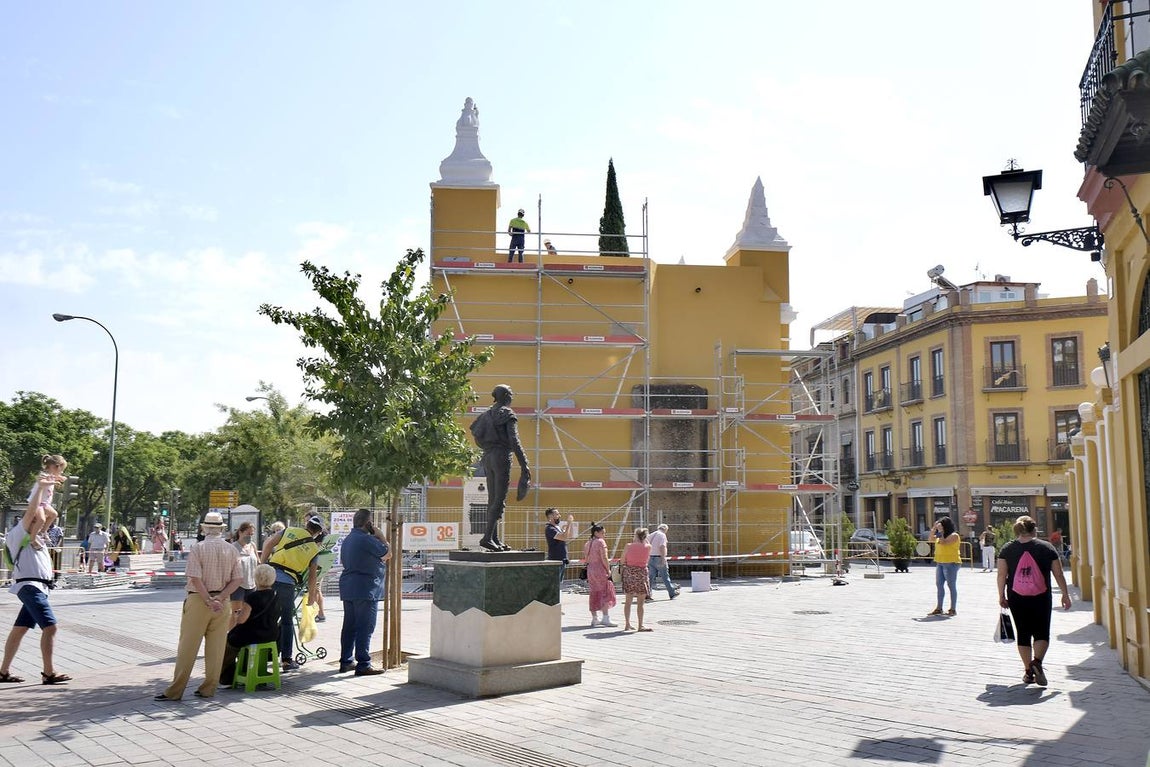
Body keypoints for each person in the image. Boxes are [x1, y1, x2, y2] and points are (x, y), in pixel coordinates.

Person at [155, 512, 242, 701]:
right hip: (223, 601)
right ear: (221, 529)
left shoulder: (198, 548)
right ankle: (208, 688)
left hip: (199, 600)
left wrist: (208, 600)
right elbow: (238, 579)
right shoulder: (232, 550)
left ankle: (176, 690)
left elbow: (194, 577)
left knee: (188, 646)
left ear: (204, 528)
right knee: (216, 648)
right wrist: (220, 598)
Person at [0, 475, 72, 685]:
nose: (39, 523)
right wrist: (40, 488)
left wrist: (49, 488)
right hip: (29, 587)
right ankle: (49, 673)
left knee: (20, 629)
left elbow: (47, 511)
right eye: (34, 520)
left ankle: (3, 671)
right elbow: (34, 510)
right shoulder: (17, 535)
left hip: (38, 588)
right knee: (50, 628)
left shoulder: (37, 538)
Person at [997, 515, 1072, 687]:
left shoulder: (1007, 549)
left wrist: (1001, 595)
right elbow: (1058, 573)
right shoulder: (1046, 547)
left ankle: (1028, 672)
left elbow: (1002, 574)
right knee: (1041, 631)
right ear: (1034, 529)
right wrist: (1065, 594)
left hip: (1016, 596)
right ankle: (1037, 662)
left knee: (1023, 632)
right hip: (1041, 595)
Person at [469, 385, 531, 551]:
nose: (512, 397)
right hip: (502, 456)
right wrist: (525, 464)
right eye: (511, 394)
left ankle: (494, 538)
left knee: (492, 499)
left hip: (487, 457)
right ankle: (487, 537)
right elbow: (514, 440)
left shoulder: (485, 415)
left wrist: (489, 445)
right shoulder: (507, 414)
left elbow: (476, 435)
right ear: (504, 396)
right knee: (499, 500)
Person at [261, 516, 324, 670]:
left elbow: (269, 544)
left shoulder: (288, 531)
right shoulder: (314, 550)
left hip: (269, 577)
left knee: (266, 616)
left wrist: (262, 565)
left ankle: (262, 657)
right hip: (287, 583)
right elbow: (312, 576)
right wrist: (311, 596)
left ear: (306, 524)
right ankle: (287, 660)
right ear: (318, 533)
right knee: (287, 621)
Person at [337, 509, 391, 676]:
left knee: (350, 626)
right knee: (365, 627)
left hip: (349, 587)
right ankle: (363, 664)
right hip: (366, 588)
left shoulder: (348, 539)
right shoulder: (366, 539)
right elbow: (387, 553)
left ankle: (346, 661)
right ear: (368, 524)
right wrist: (381, 536)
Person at [218, 563, 281, 686]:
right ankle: (252, 670)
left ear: (256, 578)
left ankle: (227, 675)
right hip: (271, 634)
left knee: (228, 642)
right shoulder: (276, 595)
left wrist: (237, 615)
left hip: (253, 634)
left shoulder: (253, 597)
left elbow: (241, 620)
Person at [24, 455, 67, 549]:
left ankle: (43, 531)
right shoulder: (43, 475)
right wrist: (54, 482)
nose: (61, 472)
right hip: (37, 502)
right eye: (61, 469)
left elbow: (56, 477)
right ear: (55, 467)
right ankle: (33, 538)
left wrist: (59, 478)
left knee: (54, 514)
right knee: (42, 519)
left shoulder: (51, 476)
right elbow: (42, 483)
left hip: (44, 503)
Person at [582, 524, 616, 628]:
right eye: (602, 533)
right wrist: (608, 569)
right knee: (605, 592)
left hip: (591, 569)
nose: (604, 535)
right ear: (596, 533)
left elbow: (586, 558)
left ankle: (594, 618)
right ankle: (605, 618)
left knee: (594, 592)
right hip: (600, 569)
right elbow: (604, 557)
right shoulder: (600, 542)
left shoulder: (588, 543)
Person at [927, 516, 961, 616]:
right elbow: (930, 540)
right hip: (940, 562)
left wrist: (940, 531)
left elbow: (943, 542)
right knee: (939, 585)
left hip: (951, 563)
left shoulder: (954, 535)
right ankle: (939, 608)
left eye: (941, 525)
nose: (939, 526)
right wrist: (933, 529)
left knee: (951, 585)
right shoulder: (939, 534)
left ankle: (953, 609)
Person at [621, 528, 653, 632]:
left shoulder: (628, 546)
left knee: (628, 601)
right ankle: (640, 625)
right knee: (640, 603)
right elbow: (647, 559)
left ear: (635, 535)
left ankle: (627, 624)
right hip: (642, 574)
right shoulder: (648, 547)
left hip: (629, 573)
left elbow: (622, 560)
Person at [229, 522, 260, 629]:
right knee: (236, 614)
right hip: (238, 585)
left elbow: (258, 562)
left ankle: (245, 638)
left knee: (249, 614)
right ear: (240, 532)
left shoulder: (252, 546)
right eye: (248, 534)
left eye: (252, 534)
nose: (250, 537)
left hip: (252, 584)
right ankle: (229, 638)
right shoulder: (233, 547)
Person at [646, 522, 679, 601]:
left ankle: (647, 594)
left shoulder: (651, 535)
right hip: (658, 557)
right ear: (665, 529)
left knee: (650, 577)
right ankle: (672, 593)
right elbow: (662, 546)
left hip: (650, 557)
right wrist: (663, 558)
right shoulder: (662, 535)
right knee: (665, 576)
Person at [544, 507, 575, 587]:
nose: (559, 516)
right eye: (557, 514)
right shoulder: (550, 529)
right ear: (550, 517)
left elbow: (569, 535)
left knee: (558, 584)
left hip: (562, 559)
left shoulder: (557, 528)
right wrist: (568, 524)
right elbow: (564, 537)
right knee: (554, 584)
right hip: (556, 560)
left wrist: (570, 524)